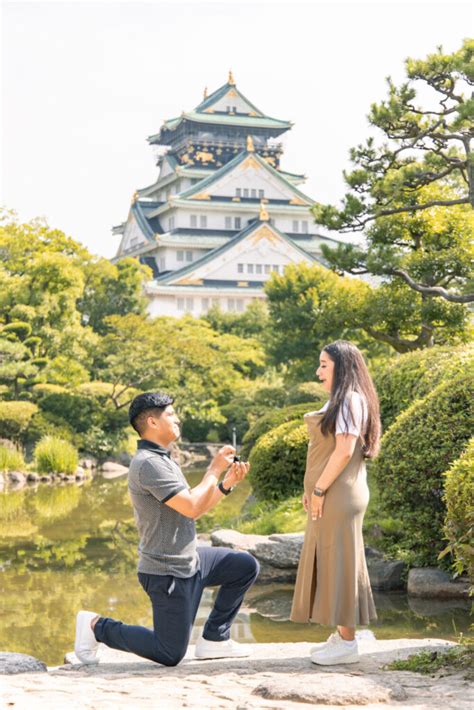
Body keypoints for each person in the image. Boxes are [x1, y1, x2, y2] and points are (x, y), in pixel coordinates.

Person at [73, 392, 259, 666]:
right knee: (169, 653)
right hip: (166, 572)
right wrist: (213, 470)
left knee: (244, 565)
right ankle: (96, 626)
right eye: (171, 414)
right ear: (152, 421)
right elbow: (193, 506)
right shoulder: (148, 463)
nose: (177, 418)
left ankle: (215, 639)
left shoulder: (163, 459)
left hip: (190, 561)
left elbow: (193, 510)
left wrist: (225, 485)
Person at [290, 340, 381, 665]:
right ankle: (341, 635)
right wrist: (311, 487)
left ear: (342, 366)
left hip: (339, 493)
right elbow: (326, 451)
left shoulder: (351, 400)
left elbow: (344, 451)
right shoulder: (342, 401)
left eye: (324, 365)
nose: (318, 371)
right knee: (332, 560)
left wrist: (319, 489)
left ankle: (347, 643)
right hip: (331, 490)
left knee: (340, 560)